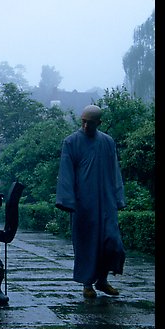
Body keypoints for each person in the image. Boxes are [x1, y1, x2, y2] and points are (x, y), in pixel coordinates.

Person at [55, 104, 126, 299]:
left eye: (91, 123)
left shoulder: (107, 142)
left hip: (107, 202)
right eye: (84, 122)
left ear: (99, 123)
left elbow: (115, 172)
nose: (86, 126)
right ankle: (88, 284)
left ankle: (102, 280)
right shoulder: (71, 142)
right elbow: (66, 173)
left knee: (113, 243)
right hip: (84, 204)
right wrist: (67, 201)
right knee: (87, 244)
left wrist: (119, 197)